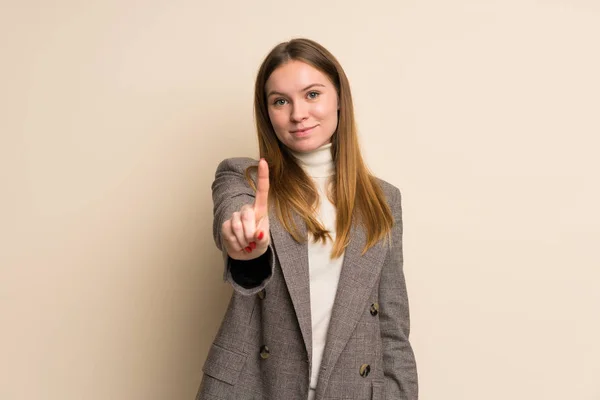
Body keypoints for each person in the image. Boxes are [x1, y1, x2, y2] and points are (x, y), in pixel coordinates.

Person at [196, 38, 418, 400]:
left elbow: (393, 325)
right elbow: (233, 220)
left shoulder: (383, 199)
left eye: (312, 94)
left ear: (339, 99)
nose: (298, 113)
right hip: (256, 388)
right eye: (280, 101)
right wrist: (247, 247)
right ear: (267, 112)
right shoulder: (242, 179)